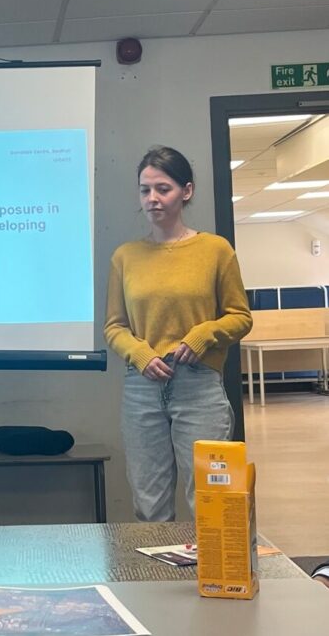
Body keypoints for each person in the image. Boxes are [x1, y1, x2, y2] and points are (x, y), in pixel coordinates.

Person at [104, 145, 252, 522]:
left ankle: (213, 578)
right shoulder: (125, 256)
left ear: (186, 191)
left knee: (212, 497)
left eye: (163, 188)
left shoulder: (216, 250)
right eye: (144, 190)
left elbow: (240, 317)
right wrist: (139, 354)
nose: (152, 199)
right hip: (143, 385)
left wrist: (203, 334)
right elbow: (114, 327)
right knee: (149, 501)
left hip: (198, 383)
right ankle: (157, 580)